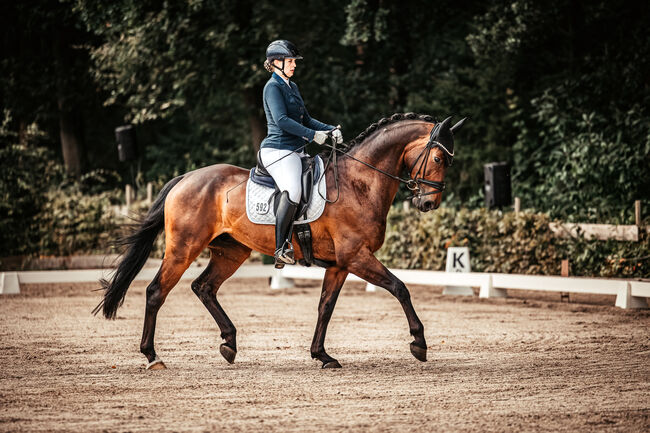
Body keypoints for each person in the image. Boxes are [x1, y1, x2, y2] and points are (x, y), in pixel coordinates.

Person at [259, 40, 343, 268]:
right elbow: (282, 121)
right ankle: (280, 248)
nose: (294, 65)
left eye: (294, 61)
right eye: (290, 61)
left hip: (296, 151)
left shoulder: (292, 87)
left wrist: (329, 129)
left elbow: (306, 119)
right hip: (278, 150)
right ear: (276, 63)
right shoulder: (272, 87)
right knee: (293, 189)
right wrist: (312, 135)